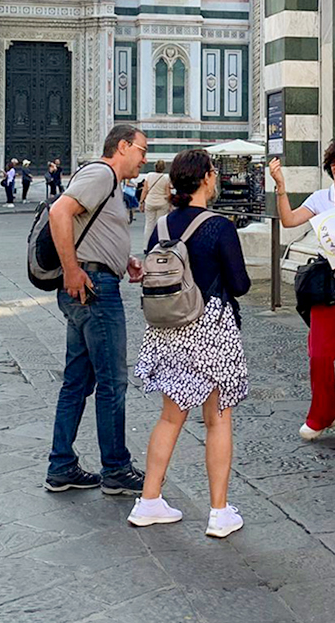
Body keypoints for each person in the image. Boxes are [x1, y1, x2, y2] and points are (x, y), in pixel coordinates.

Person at [127, 148, 251, 538]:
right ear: (207, 178)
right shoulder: (218, 226)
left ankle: (148, 500)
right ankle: (218, 512)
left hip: (168, 328)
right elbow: (241, 285)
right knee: (217, 418)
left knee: (170, 416)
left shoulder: (162, 226)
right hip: (209, 328)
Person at [44, 125, 149, 496]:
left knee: (78, 380)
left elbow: (93, 231)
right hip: (93, 289)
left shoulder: (110, 183)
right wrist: (72, 269)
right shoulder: (101, 173)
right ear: (122, 146)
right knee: (112, 382)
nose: (144, 158)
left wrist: (125, 260)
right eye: (141, 149)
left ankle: (61, 466)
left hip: (93, 282)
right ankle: (116, 468)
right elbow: (60, 213)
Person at [270, 139, 335, 455]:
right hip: (327, 283)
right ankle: (322, 414)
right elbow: (289, 220)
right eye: (333, 162)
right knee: (319, 353)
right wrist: (280, 186)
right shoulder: (321, 198)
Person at [138, 161, 172, 243]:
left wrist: (141, 202)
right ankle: (158, 244)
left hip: (150, 202)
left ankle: (146, 245)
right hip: (162, 203)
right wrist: (170, 203)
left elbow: (145, 190)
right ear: (164, 168)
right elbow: (168, 193)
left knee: (149, 224)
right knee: (160, 224)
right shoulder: (166, 178)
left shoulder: (149, 176)